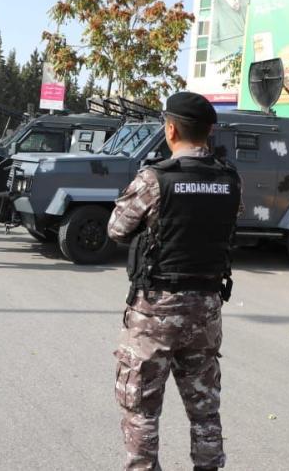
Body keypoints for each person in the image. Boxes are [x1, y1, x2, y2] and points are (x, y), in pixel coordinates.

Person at [107, 92, 242, 471]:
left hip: (156, 310)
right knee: (204, 407)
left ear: (170, 129)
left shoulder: (154, 179)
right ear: (209, 131)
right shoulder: (230, 180)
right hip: (206, 308)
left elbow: (116, 229)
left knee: (141, 408)